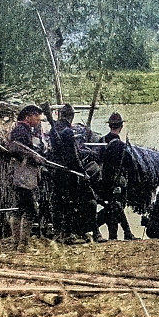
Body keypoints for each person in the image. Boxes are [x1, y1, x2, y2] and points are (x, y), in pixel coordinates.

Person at [49, 104, 103, 243]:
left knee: (63, 202)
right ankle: (73, 233)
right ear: (71, 117)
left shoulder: (54, 129)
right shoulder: (67, 131)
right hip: (68, 172)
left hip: (57, 171)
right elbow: (72, 156)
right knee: (81, 200)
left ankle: (70, 232)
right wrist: (82, 172)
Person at [8, 105, 46, 251]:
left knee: (19, 208)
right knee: (30, 209)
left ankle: (16, 243)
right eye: (36, 116)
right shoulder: (20, 130)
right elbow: (16, 149)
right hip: (22, 175)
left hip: (23, 175)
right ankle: (23, 244)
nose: (38, 119)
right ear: (28, 117)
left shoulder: (26, 130)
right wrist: (34, 157)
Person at [96, 112, 136, 240]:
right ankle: (123, 234)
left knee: (112, 208)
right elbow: (130, 164)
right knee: (116, 207)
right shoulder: (121, 146)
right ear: (121, 127)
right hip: (117, 182)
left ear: (110, 126)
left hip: (102, 183)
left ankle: (119, 235)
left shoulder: (101, 141)